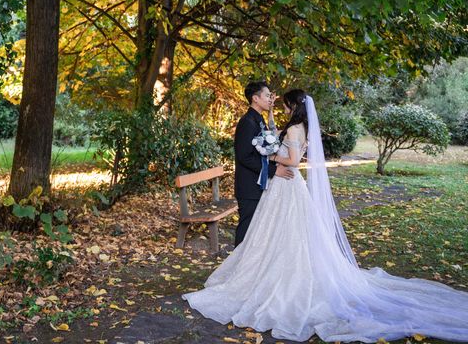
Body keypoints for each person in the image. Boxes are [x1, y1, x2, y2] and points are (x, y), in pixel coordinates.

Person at [184, 89, 468, 342]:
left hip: (287, 184)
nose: (280, 107)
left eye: (285, 105)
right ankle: (259, 271)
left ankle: (274, 278)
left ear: (295, 107)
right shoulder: (292, 126)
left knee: (287, 234)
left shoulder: (294, 129)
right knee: (277, 234)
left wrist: (270, 156)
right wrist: (270, 153)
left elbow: (294, 161)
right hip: (283, 186)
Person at [233, 81, 294, 246]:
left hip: (258, 184)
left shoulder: (259, 119)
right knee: (246, 228)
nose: (270, 99)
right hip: (248, 186)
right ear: (255, 98)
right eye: (267, 96)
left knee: (256, 230)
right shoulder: (247, 122)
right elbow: (244, 157)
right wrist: (273, 171)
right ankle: (237, 268)